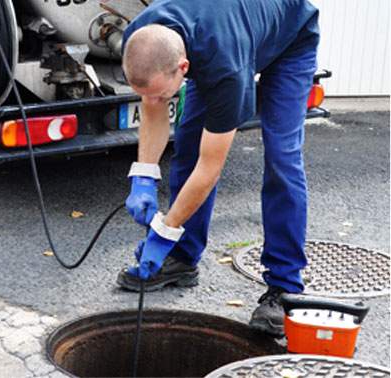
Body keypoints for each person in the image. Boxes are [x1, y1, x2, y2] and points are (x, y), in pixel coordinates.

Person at [116, 0, 319, 337]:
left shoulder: (225, 69)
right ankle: (182, 256)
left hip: (290, 37)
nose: (155, 100)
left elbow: (210, 168)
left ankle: (285, 287)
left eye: (163, 91)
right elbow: (153, 102)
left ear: (183, 67)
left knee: (282, 158)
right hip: (228, 31)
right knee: (188, 143)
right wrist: (143, 176)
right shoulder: (143, 37)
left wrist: (164, 230)